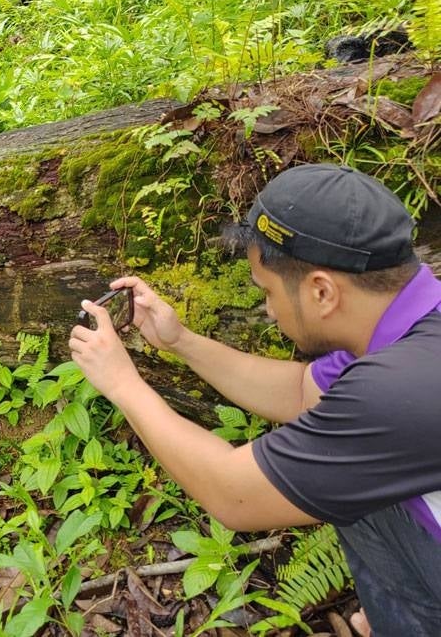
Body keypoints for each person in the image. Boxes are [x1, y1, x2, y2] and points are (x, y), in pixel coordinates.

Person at [69, 163, 441, 636]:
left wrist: (124, 385)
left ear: (322, 291)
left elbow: (234, 494)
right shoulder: (408, 327)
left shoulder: (400, 391)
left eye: (267, 291)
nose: (268, 307)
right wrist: (179, 340)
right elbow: (301, 392)